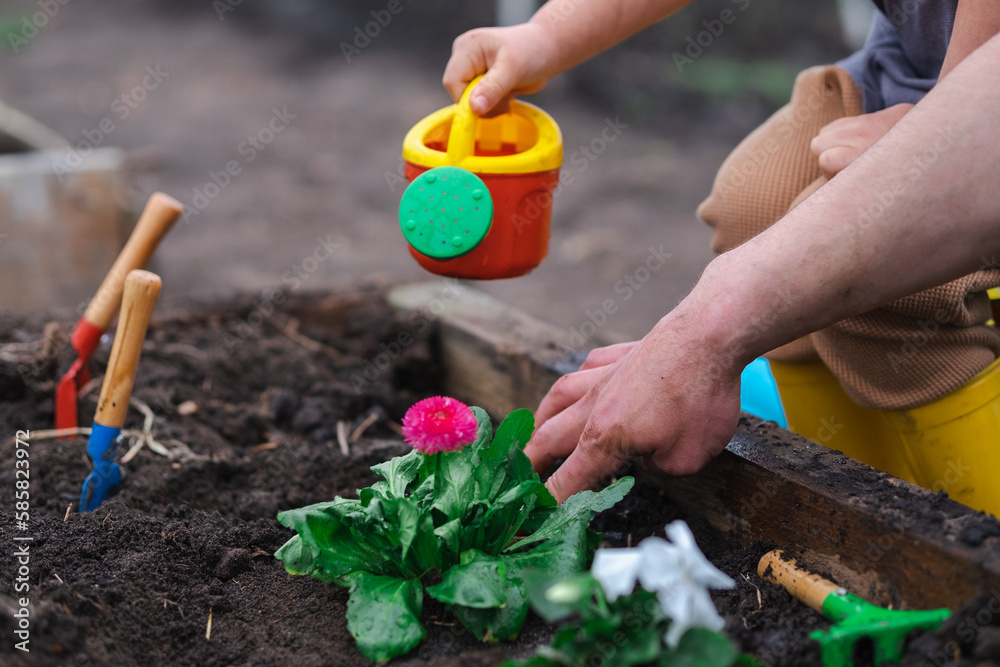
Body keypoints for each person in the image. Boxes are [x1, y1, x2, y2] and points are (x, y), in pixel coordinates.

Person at [442, 0, 1000, 503]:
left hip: (973, 103)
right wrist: (546, 35)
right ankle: (852, 487)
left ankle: (972, 534)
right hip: (902, 69)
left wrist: (929, 140)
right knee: (753, 203)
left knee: (908, 289)